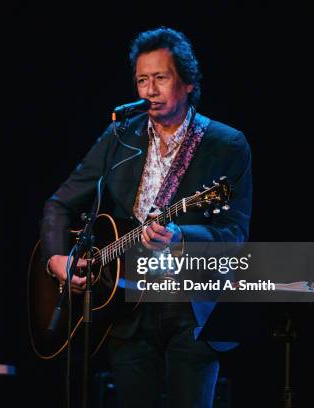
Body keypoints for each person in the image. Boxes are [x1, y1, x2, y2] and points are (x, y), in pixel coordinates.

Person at [40, 26, 252, 408]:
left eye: (160, 78)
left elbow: (233, 234)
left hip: (192, 310)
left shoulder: (226, 144)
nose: (149, 91)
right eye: (142, 80)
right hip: (127, 308)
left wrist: (179, 236)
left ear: (187, 83)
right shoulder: (120, 136)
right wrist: (57, 257)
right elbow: (59, 203)